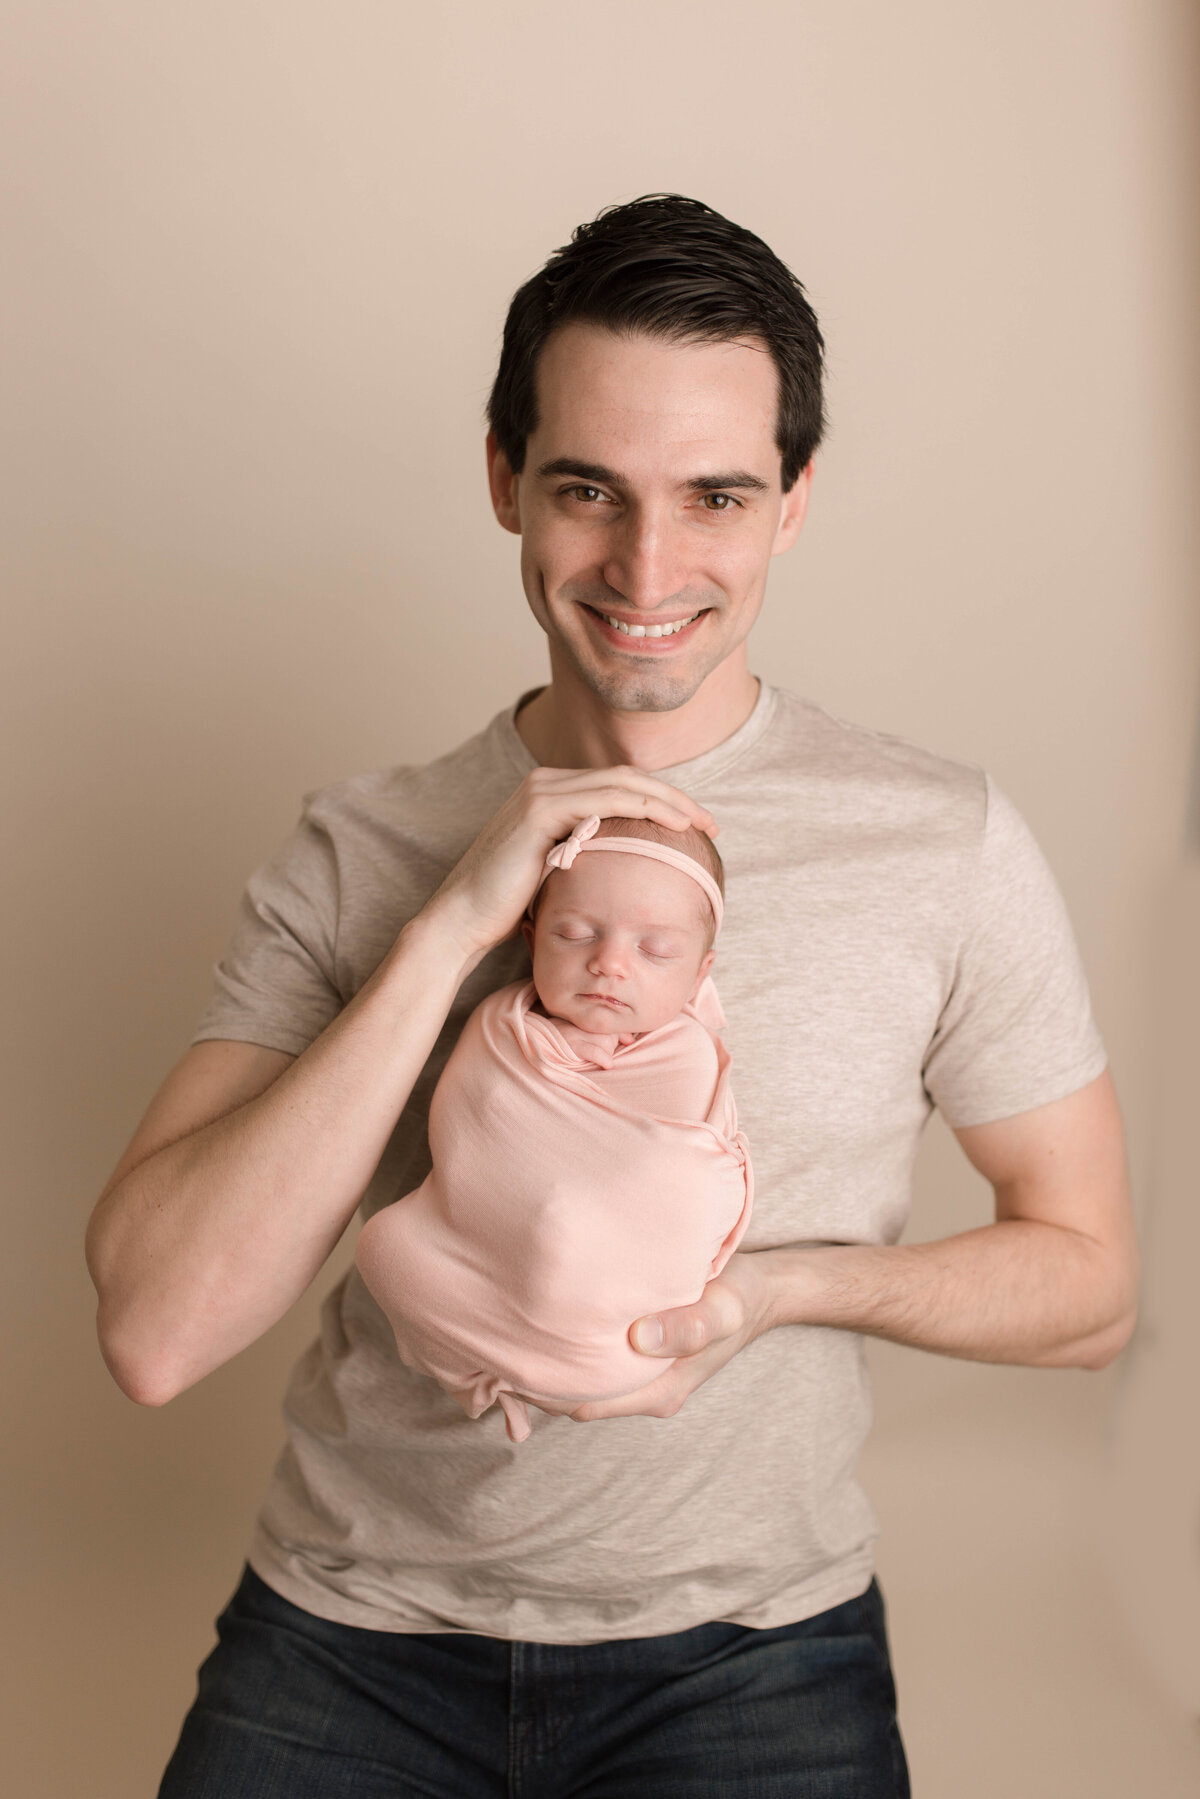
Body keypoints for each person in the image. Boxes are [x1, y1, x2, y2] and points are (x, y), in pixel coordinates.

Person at [85, 194, 1138, 1798]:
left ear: (792, 500)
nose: (649, 567)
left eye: (716, 494)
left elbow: (1091, 1286)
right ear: (504, 476)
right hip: (347, 1639)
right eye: (590, 489)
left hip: (757, 1655)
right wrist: (451, 929)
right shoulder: (364, 845)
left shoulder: (942, 842)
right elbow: (158, 1328)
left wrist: (777, 1294)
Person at [355, 813, 753, 1445]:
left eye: (656, 951)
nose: (610, 964)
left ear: (699, 975)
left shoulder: (686, 1052)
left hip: (598, 1274)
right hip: (478, 1243)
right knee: (386, 1245)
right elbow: (473, 1136)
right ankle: (485, 1357)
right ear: (531, 937)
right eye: (574, 934)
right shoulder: (501, 1023)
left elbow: (670, 1173)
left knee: (568, 1222)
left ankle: (553, 1347)